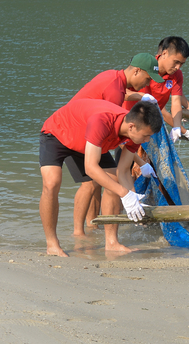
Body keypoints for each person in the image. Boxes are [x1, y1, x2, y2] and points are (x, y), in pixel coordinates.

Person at [39, 100, 163, 257]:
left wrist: (133, 200)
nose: (147, 141)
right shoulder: (102, 121)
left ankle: (112, 243)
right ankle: (52, 244)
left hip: (89, 141)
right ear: (131, 126)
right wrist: (125, 194)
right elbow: (91, 168)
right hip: (58, 133)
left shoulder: (133, 134)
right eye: (146, 136)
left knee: (114, 183)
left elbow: (123, 171)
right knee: (52, 183)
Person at [65, 53, 162, 235]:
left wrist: (140, 95)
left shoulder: (116, 79)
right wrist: (141, 163)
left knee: (100, 181)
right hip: (77, 132)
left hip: (91, 134)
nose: (148, 83)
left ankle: (93, 228)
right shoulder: (115, 90)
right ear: (137, 71)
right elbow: (114, 131)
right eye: (147, 78)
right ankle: (79, 234)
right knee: (90, 183)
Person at [124, 36, 189, 145]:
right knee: (129, 159)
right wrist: (184, 131)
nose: (178, 67)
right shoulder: (147, 67)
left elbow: (176, 102)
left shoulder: (177, 75)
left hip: (150, 124)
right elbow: (162, 112)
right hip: (130, 123)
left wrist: (177, 127)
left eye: (182, 64)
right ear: (164, 54)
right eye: (176, 62)